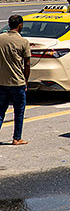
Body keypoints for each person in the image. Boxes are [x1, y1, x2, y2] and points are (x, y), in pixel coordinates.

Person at [0, 15, 30, 145]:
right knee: (19, 111)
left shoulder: (1, 39)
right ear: (20, 25)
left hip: (2, 81)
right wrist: (26, 80)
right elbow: (27, 63)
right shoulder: (23, 42)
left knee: (0, 111)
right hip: (17, 82)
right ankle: (17, 138)